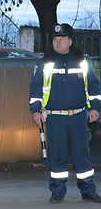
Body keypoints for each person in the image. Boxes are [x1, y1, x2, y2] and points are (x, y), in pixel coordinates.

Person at [29, 23, 101, 203]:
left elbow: (94, 86)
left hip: (78, 116)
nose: (57, 43)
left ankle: (88, 190)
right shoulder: (43, 62)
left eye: (61, 40)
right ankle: (57, 191)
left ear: (69, 41)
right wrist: (35, 111)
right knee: (57, 156)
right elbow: (36, 89)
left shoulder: (82, 61)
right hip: (54, 117)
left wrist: (95, 108)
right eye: (55, 40)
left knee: (81, 155)